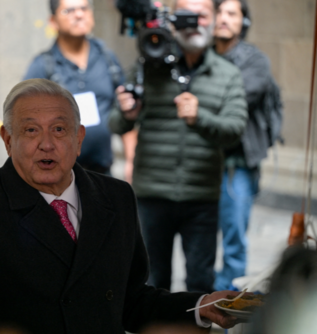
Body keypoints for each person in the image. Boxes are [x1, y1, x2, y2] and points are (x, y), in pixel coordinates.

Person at [0, 78, 242, 334]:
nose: (46, 145)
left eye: (58, 130)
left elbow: (131, 302)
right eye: (30, 131)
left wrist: (202, 306)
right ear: (7, 140)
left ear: (79, 138)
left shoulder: (116, 197)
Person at [109, 0, 248, 293]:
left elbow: (235, 131)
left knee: (199, 283)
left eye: (202, 15)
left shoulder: (227, 74)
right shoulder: (149, 67)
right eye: (186, 16)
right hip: (151, 196)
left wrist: (201, 118)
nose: (194, 22)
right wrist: (127, 113)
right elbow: (115, 123)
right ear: (172, 20)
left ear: (213, 20)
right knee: (150, 281)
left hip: (201, 198)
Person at [213, 0, 282, 291]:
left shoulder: (255, 61)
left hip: (236, 167)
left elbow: (232, 100)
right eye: (219, 12)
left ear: (244, 22)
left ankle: (227, 317)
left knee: (234, 244)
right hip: (200, 165)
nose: (224, 19)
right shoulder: (197, 57)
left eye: (232, 13)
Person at [24, 0, 124, 174]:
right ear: (53, 21)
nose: (79, 15)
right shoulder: (43, 66)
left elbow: (125, 111)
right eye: (69, 11)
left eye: (84, 8)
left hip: (102, 173)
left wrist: (131, 159)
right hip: (57, 175)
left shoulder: (107, 59)